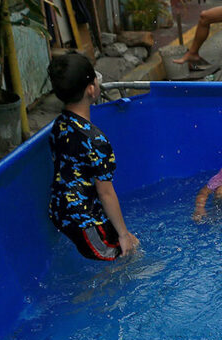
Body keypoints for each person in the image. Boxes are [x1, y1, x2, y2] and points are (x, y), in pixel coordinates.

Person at [47, 53, 140, 261]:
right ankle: (86, 295)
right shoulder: (96, 141)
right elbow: (106, 193)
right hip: (83, 220)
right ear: (91, 89)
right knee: (126, 259)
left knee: (133, 245)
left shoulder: (59, 124)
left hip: (60, 209)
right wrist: (123, 234)